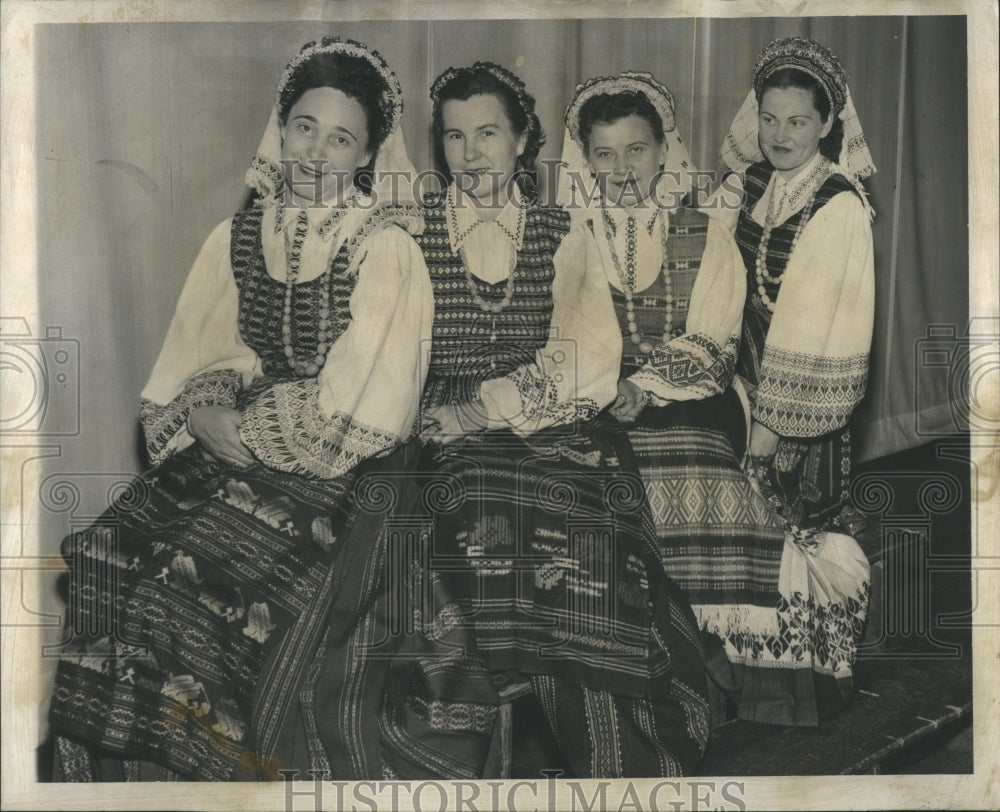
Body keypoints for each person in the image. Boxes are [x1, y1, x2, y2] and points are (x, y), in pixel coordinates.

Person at [47, 37, 439, 781]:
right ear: (280, 129)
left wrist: (249, 428)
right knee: (107, 554)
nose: (317, 152)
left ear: (366, 157)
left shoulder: (386, 249)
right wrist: (202, 411)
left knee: (182, 589)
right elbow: (208, 355)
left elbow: (362, 409)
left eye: (342, 137)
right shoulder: (237, 236)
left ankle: (206, 773)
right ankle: (106, 782)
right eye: (304, 128)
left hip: (347, 462)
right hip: (240, 439)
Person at [411, 62, 711, 777]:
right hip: (442, 424)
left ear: (523, 141)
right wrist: (445, 414)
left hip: (549, 411)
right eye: (455, 136)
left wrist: (487, 408)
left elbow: (589, 356)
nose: (471, 152)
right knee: (487, 522)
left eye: (488, 132)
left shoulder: (561, 230)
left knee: (596, 537)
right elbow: (389, 353)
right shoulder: (409, 232)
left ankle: (628, 769)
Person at [558, 69, 870, 727]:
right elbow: (562, 335)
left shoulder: (702, 228)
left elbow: (714, 336)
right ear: (586, 160)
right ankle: (635, 657)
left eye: (636, 151)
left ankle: (730, 655)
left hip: (692, 385)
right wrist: (595, 388)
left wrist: (644, 386)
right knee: (581, 466)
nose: (622, 169)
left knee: (686, 452)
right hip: (596, 392)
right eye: (605, 155)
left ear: (662, 151)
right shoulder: (573, 233)